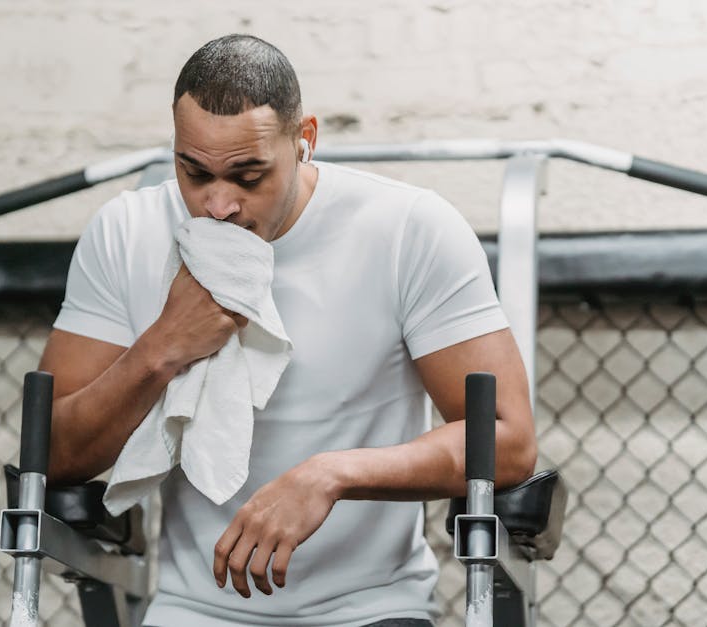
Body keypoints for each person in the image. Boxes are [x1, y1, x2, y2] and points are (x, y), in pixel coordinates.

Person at [40, 34, 536, 627]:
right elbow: (52, 450)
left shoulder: (408, 229)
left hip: (372, 611)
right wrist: (162, 349)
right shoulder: (127, 231)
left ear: (304, 142)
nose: (217, 204)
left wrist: (330, 476)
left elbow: (509, 441)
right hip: (192, 610)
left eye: (249, 176)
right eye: (193, 172)